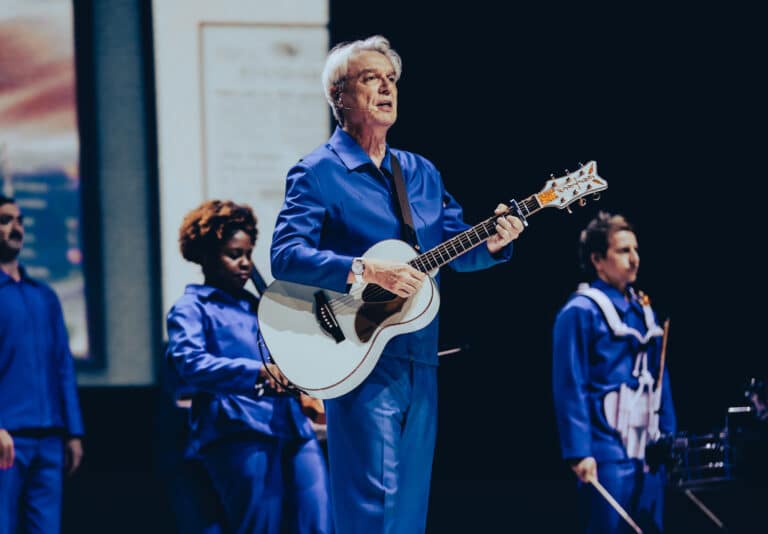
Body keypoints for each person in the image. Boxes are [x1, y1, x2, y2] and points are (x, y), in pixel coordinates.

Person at [269, 35, 525, 533]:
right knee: (372, 508)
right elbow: (285, 256)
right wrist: (364, 269)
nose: (386, 88)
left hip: (422, 360)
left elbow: (457, 252)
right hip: (360, 361)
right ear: (339, 96)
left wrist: (494, 243)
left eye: (391, 80)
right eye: (371, 79)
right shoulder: (318, 172)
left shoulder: (421, 173)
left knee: (408, 513)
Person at [165, 199, 333, 534]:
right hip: (237, 430)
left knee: (319, 522)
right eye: (233, 254)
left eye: (247, 254)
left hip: (292, 426)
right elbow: (189, 363)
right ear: (206, 256)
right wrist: (255, 371)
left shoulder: (261, 306)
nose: (245, 264)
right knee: (260, 527)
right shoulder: (191, 307)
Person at [552, 211, 677, 533]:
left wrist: (668, 435)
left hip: (647, 450)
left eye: (635, 250)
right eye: (623, 251)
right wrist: (579, 452)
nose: (634, 259)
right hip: (605, 450)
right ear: (597, 259)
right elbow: (570, 385)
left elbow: (661, 378)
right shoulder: (580, 311)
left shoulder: (644, 310)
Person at [0, 194, 84, 534]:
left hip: (49, 437)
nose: (15, 227)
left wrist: (73, 432)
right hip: (7, 436)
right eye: (5, 220)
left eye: (19, 220)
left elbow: (62, 365)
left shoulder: (44, 295)